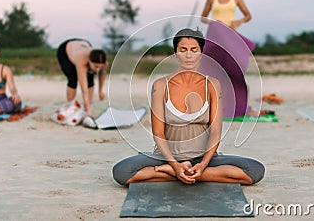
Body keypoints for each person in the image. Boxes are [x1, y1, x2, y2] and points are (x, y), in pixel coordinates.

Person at [112, 28, 265, 186]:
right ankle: (181, 172)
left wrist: (203, 164)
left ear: (201, 52)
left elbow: (215, 131)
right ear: (176, 53)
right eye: (183, 50)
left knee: (255, 170)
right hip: (166, 157)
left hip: (203, 157)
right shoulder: (160, 86)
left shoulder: (212, 85)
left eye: (194, 50)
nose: (189, 55)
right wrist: (174, 165)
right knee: (122, 172)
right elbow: (157, 133)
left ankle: (183, 173)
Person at [200, 0, 262, 118]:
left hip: (230, 36)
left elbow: (248, 16)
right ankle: (208, 106)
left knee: (234, 69)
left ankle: (239, 106)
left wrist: (239, 21)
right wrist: (215, 22)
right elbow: (203, 17)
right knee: (211, 68)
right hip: (216, 35)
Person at [57, 38, 108, 117]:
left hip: (83, 43)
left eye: (100, 67)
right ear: (89, 60)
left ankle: (87, 109)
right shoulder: (82, 60)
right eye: (96, 66)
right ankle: (70, 107)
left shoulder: (104, 61)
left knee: (90, 79)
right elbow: (84, 89)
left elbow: (102, 73)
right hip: (65, 51)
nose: (97, 70)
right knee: (73, 79)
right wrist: (88, 111)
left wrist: (100, 91)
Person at [0, 43, 22, 118]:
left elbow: (12, 87)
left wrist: (15, 94)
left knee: (16, 102)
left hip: (0, 100)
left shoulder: (5, 69)